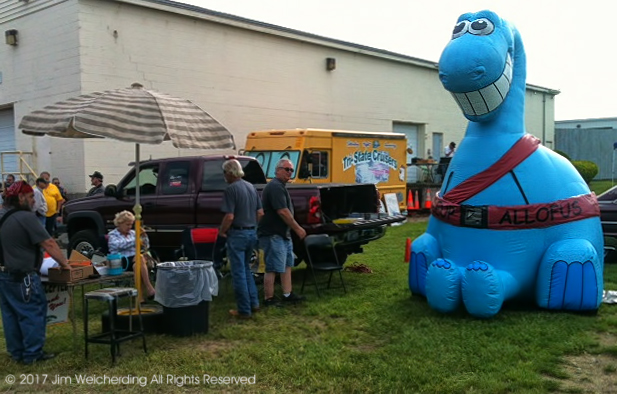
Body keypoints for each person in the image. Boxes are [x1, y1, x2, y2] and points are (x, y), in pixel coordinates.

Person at [0, 181, 71, 364]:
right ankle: (32, 355)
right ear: (20, 197)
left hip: (5, 274)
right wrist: (65, 264)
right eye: (31, 196)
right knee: (32, 312)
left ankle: (17, 352)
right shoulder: (25, 217)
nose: (34, 200)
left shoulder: (3, 215)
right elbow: (48, 243)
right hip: (23, 276)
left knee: (11, 315)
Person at [258, 158, 307, 307]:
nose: (290, 173)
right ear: (277, 170)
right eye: (287, 169)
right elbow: (283, 211)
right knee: (272, 267)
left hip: (282, 234)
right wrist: (297, 228)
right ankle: (269, 299)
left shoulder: (281, 186)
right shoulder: (274, 187)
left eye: (291, 170)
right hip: (273, 234)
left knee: (286, 265)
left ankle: (287, 294)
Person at [219, 159, 264, 319]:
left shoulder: (231, 190)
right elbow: (260, 213)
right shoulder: (251, 187)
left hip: (237, 234)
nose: (224, 176)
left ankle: (244, 310)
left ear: (230, 173)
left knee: (238, 272)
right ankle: (254, 303)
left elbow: (229, 216)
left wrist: (222, 231)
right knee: (247, 270)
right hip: (251, 232)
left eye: (225, 173)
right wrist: (253, 227)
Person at [107, 210, 156, 299]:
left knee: (137, 265)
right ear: (119, 223)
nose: (130, 227)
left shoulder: (133, 233)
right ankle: (149, 288)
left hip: (135, 261)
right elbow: (118, 245)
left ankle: (140, 297)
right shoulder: (112, 234)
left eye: (131, 224)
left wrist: (144, 237)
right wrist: (136, 240)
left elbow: (146, 246)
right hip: (120, 262)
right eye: (127, 224)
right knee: (140, 258)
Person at [39, 171, 65, 237]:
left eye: (47, 178)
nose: (45, 180)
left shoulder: (53, 187)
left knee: (49, 231)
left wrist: (58, 210)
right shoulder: (35, 188)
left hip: (52, 214)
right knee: (41, 232)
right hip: (40, 214)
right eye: (43, 178)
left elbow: (59, 199)